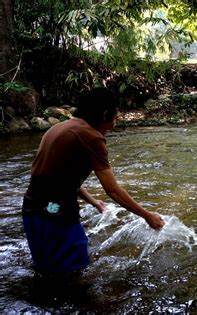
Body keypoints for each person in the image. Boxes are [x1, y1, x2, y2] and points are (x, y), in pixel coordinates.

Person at [22, 87, 165, 276]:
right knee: (75, 270)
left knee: (46, 270)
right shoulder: (91, 136)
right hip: (55, 214)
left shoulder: (61, 127)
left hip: (33, 211)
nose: (113, 125)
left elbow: (60, 179)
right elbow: (112, 190)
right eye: (114, 118)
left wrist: (93, 201)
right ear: (104, 114)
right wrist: (147, 216)